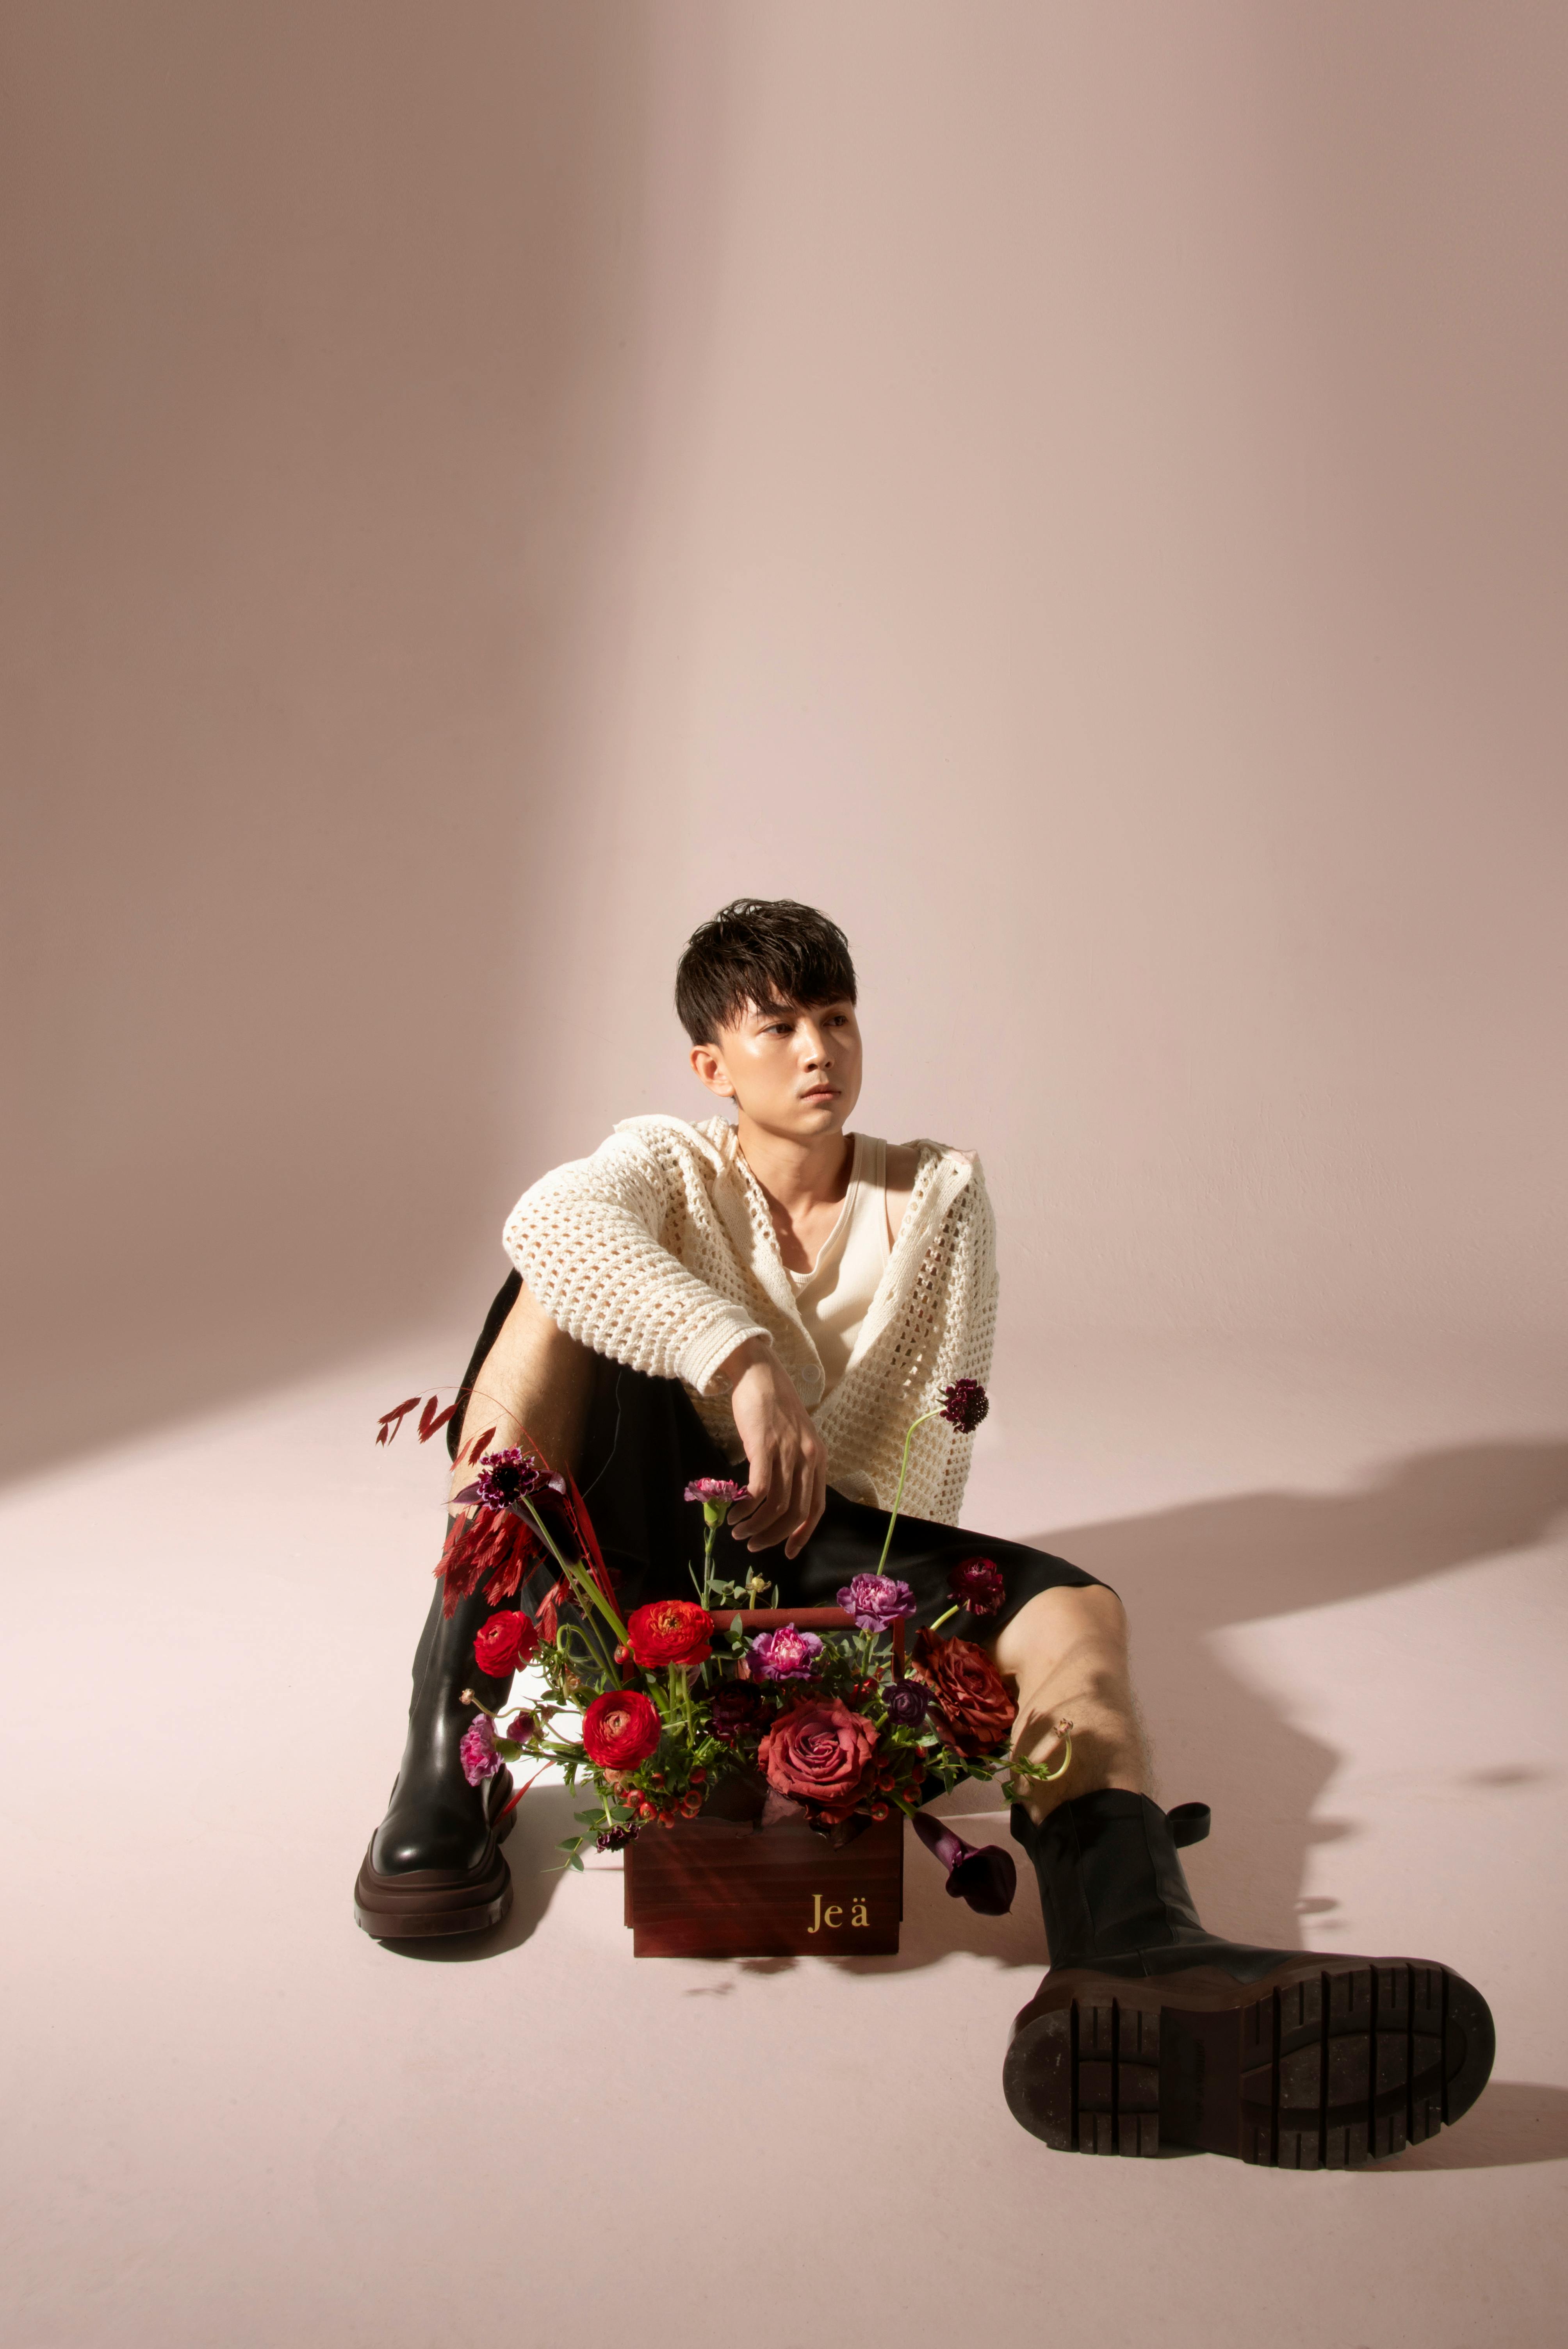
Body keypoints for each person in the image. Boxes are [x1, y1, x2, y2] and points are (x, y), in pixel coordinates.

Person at [355, 897, 1493, 2165]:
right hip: (629, 1527)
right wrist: (737, 1360)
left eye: (836, 1019)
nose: (815, 1051)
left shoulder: (936, 1195)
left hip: (822, 1542)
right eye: (777, 1026)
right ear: (711, 1066)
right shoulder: (663, 1166)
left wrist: (881, 1655)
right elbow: (552, 1223)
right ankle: (442, 1746)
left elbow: (918, 1482)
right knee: (552, 1286)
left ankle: (1134, 1945)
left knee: (1078, 1612)